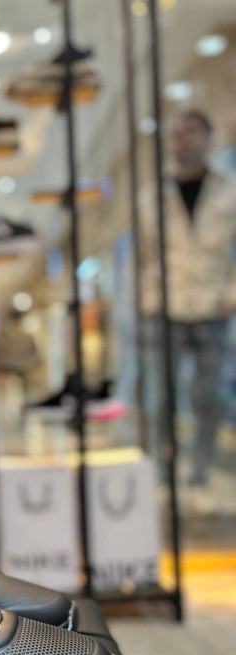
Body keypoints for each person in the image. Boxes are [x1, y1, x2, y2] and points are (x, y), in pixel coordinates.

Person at [139, 110, 236, 512]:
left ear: (209, 138)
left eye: (192, 131)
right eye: (178, 133)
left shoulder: (229, 190)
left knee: (208, 395)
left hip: (214, 306)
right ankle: (162, 476)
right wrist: (147, 298)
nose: (184, 139)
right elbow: (145, 256)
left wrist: (232, 293)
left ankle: (200, 473)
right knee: (161, 395)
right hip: (166, 306)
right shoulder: (152, 195)